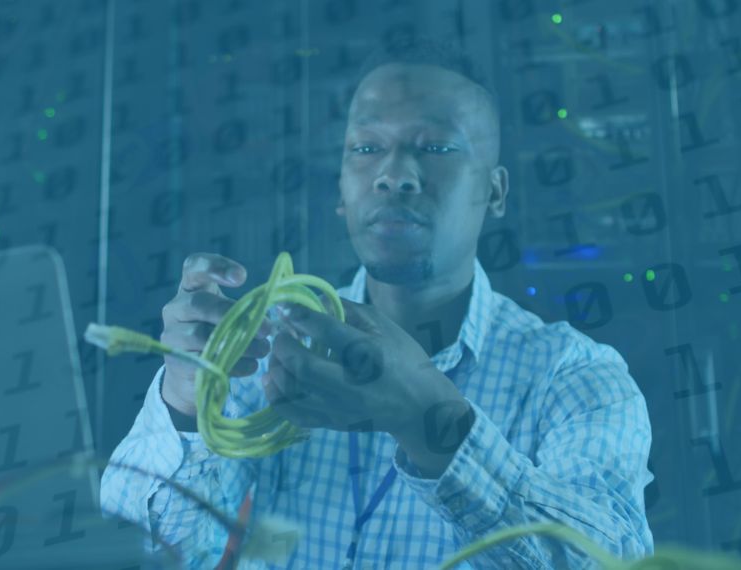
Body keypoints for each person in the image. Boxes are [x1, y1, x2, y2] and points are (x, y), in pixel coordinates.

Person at [101, 38, 655, 569]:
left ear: (495, 190)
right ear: (341, 192)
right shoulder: (267, 345)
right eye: (366, 149)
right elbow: (148, 549)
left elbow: (611, 560)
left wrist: (431, 422)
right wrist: (184, 404)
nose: (393, 175)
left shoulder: (573, 376)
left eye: (435, 148)